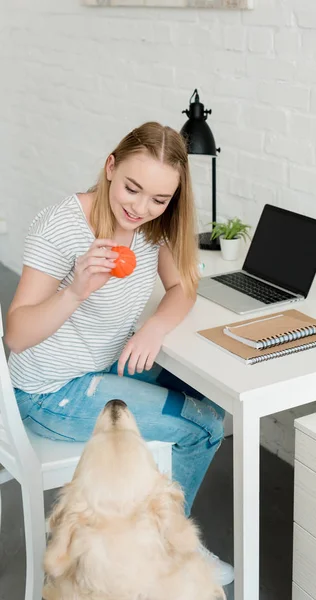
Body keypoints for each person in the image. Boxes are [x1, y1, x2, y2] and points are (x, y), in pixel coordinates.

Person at [5, 122, 233, 586]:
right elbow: (16, 334)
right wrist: (75, 289)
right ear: (111, 167)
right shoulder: (62, 226)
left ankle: (153, 537)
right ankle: (167, 553)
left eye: (159, 199)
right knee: (204, 426)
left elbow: (181, 287)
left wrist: (154, 326)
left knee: (207, 397)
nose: (140, 208)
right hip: (51, 392)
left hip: (100, 366)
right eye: (132, 188)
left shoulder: (152, 228)